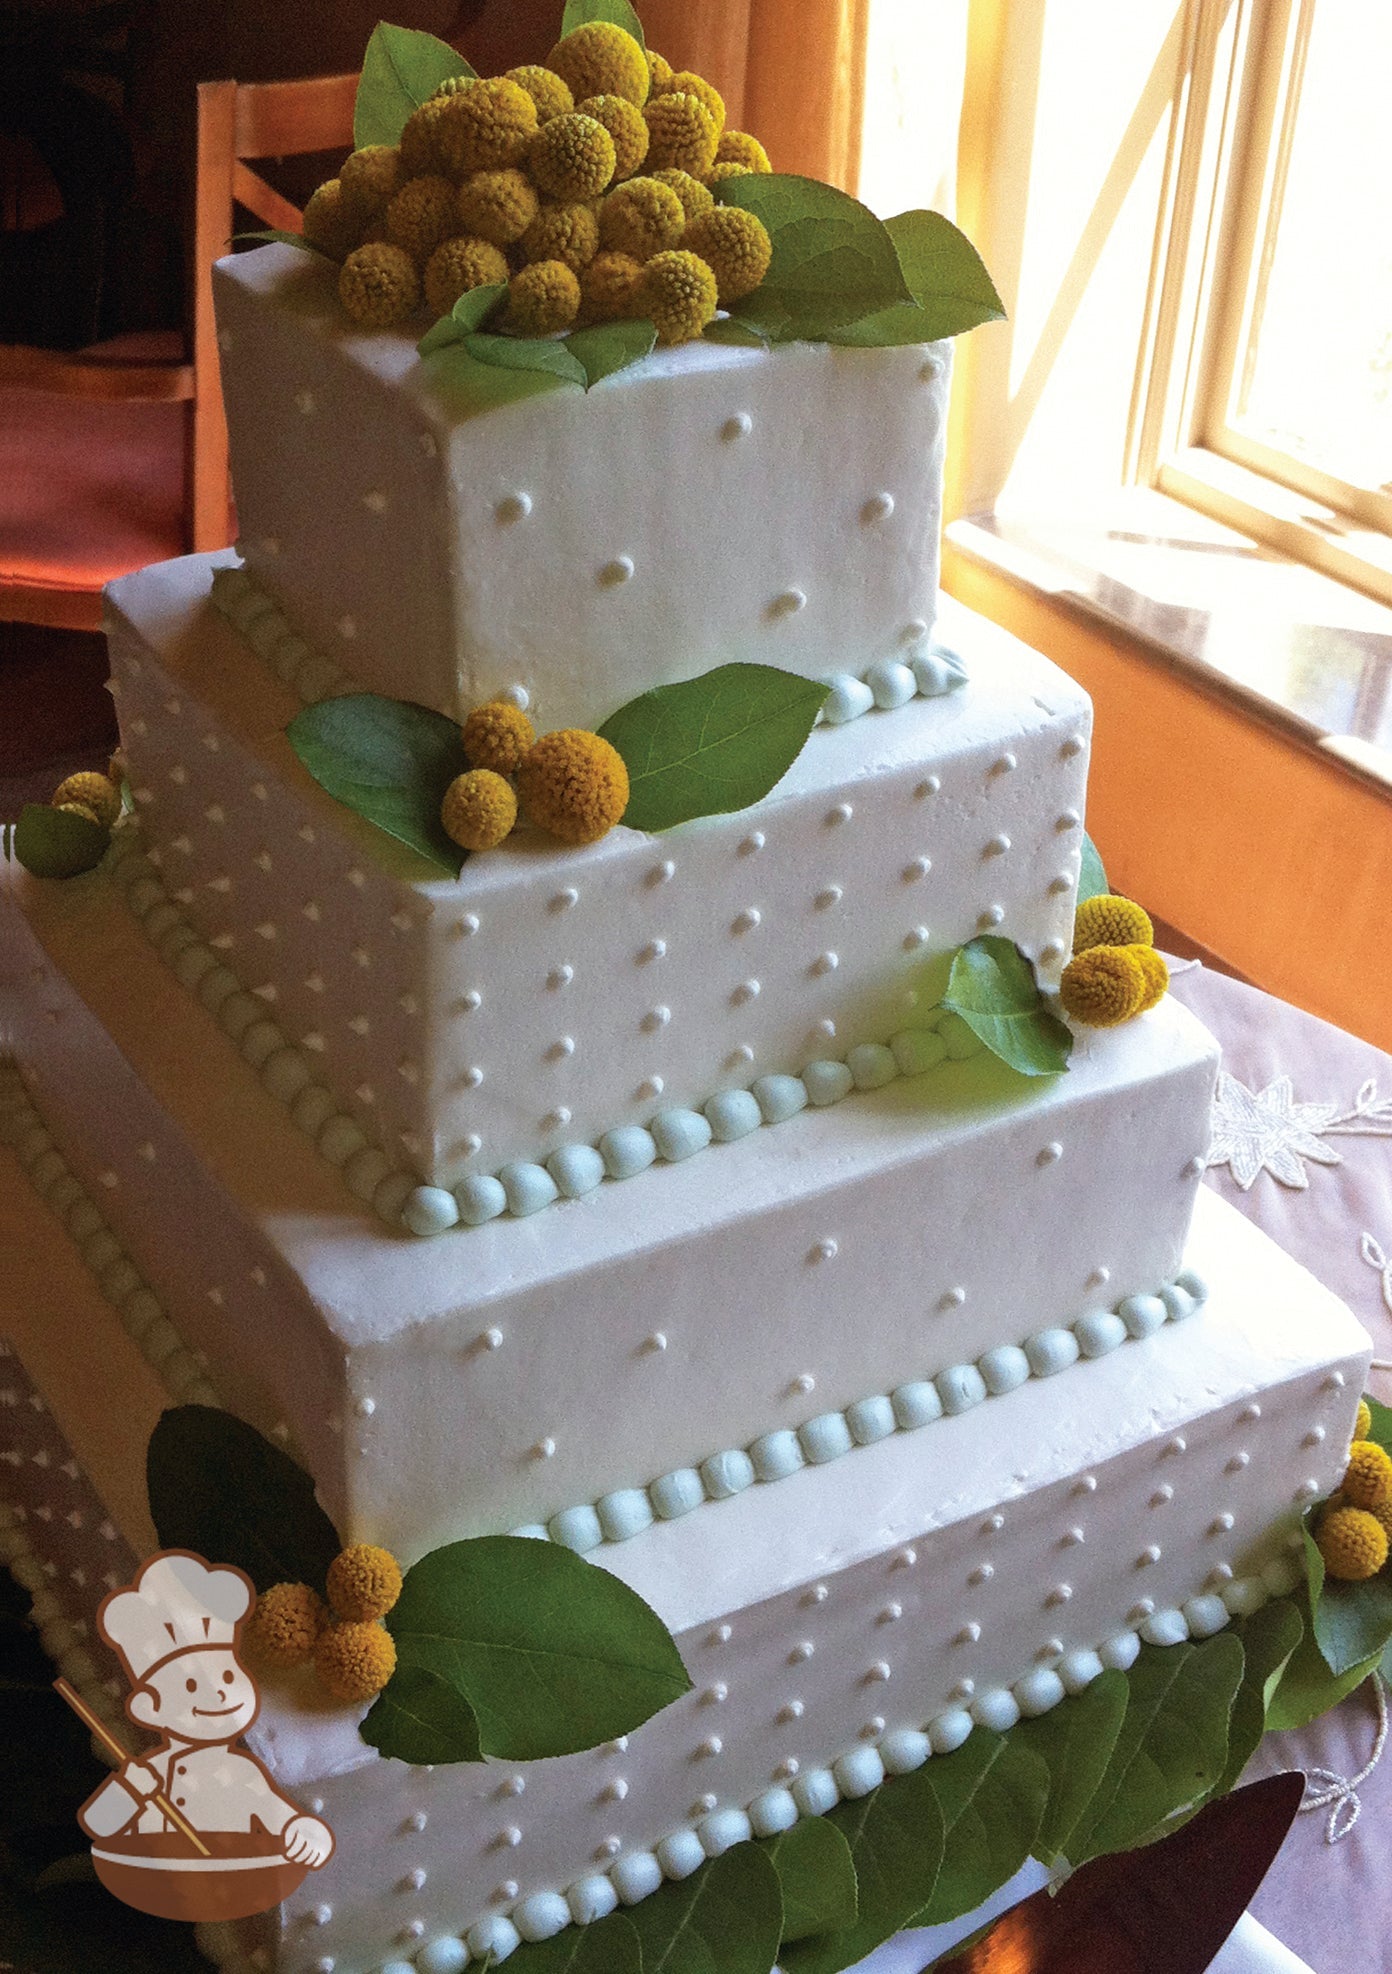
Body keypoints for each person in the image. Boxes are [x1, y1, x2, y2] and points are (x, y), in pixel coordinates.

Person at [78, 1550, 334, 1867]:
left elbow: (285, 1821)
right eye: (190, 1687)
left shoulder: (243, 1772)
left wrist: (305, 1833)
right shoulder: (154, 1771)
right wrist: (130, 1788)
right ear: (150, 1709)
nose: (220, 1695)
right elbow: (100, 1823)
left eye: (228, 1676)